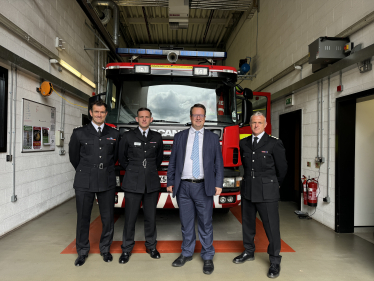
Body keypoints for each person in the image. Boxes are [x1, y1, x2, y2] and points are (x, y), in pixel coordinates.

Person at [167, 103, 224, 275]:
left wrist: (219, 183)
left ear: (205, 117)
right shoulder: (180, 136)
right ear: (190, 117)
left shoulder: (213, 138)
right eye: (195, 115)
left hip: (203, 186)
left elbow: (218, 164)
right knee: (186, 223)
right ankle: (187, 253)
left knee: (206, 223)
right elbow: (173, 162)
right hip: (183, 186)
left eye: (201, 115)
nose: (198, 118)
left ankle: (207, 256)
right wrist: (170, 181)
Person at [232, 111, 287, 279]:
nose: (256, 125)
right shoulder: (244, 143)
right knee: (247, 225)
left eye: (259, 122)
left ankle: (275, 260)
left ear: (265, 125)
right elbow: (245, 167)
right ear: (250, 124)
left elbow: (282, 169)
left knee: (271, 227)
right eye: (253, 122)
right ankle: (249, 251)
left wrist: (273, 185)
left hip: (267, 192)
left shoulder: (273, 143)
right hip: (248, 190)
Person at [69, 99, 120, 267]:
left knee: (107, 217)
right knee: (83, 217)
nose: (99, 115)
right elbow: (74, 158)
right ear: (91, 113)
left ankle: (105, 249)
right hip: (85, 180)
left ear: (106, 114)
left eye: (102, 112)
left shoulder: (114, 133)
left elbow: (116, 157)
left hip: (107, 179)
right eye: (96, 112)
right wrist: (88, 169)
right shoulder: (79, 133)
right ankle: (82, 251)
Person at [118, 108, 163, 264]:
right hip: (132, 182)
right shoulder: (128, 136)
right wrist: (134, 169)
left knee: (150, 218)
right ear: (136, 119)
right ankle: (126, 249)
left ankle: (151, 246)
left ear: (151, 119)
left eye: (147, 117)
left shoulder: (157, 137)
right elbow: (121, 158)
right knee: (130, 218)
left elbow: (158, 159)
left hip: (151, 183)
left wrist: (146, 170)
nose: (144, 119)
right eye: (141, 117)